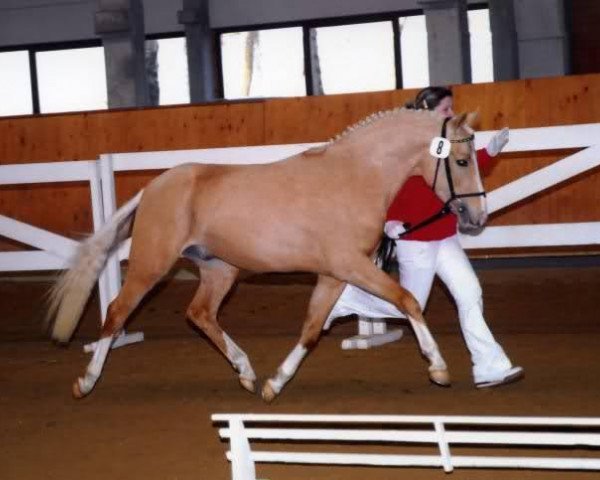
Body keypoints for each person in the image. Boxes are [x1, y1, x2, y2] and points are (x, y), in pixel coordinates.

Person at [326, 86, 523, 389]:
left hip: (443, 235)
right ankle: (346, 299)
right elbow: (390, 185)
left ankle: (490, 366)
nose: (452, 113)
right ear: (430, 112)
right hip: (415, 238)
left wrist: (490, 152)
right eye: (446, 109)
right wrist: (391, 219)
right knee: (406, 305)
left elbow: (459, 170)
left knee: (470, 292)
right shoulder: (411, 146)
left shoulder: (440, 144)